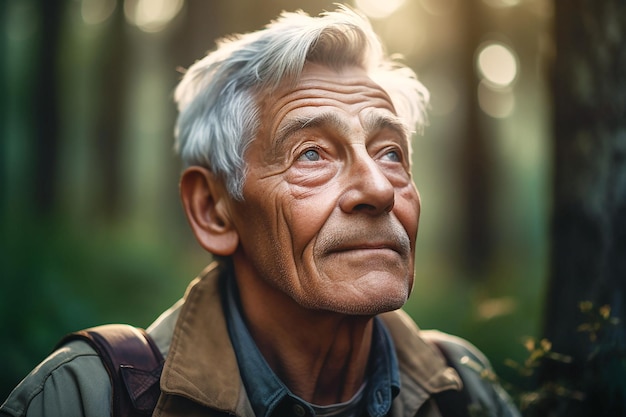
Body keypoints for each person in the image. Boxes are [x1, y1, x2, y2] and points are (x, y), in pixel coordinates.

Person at [1, 5, 520, 417]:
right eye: (311, 154)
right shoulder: (86, 397)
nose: (379, 189)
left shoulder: (463, 386)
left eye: (390, 153)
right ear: (213, 211)